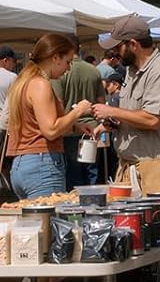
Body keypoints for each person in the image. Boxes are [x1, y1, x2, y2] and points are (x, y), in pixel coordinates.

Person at [6, 33, 96, 200]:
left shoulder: (24, 81)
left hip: (22, 165)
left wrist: (74, 126)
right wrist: (78, 111)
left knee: (35, 225)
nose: (68, 68)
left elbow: (37, 124)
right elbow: (50, 130)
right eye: (68, 62)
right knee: (49, 224)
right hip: (42, 165)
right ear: (55, 58)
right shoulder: (40, 84)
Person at [92, 15, 160, 195]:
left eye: (118, 47)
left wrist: (111, 110)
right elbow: (133, 114)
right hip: (127, 167)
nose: (115, 53)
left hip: (152, 169)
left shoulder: (159, 70)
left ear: (133, 44)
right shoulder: (131, 70)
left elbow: (152, 120)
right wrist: (114, 124)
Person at [54, 52, 105, 187]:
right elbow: (101, 102)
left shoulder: (59, 73)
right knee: (92, 172)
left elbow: (58, 103)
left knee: (73, 173)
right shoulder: (93, 70)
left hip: (68, 128)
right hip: (92, 128)